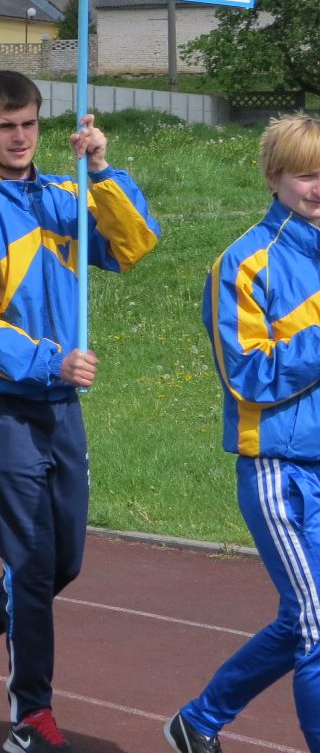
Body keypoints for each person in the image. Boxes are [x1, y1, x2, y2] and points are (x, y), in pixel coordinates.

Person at [0, 71, 159, 753]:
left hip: (61, 407)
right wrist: (50, 359)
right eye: (5, 126)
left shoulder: (67, 194)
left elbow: (134, 244)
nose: (19, 137)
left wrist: (103, 170)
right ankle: (32, 714)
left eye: (28, 124)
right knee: (30, 563)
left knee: (64, 564)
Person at [165, 114, 320, 753]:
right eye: (306, 174)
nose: (319, 186)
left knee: (304, 620)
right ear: (274, 177)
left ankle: (199, 720)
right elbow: (249, 377)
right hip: (278, 466)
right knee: (314, 624)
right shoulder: (244, 261)